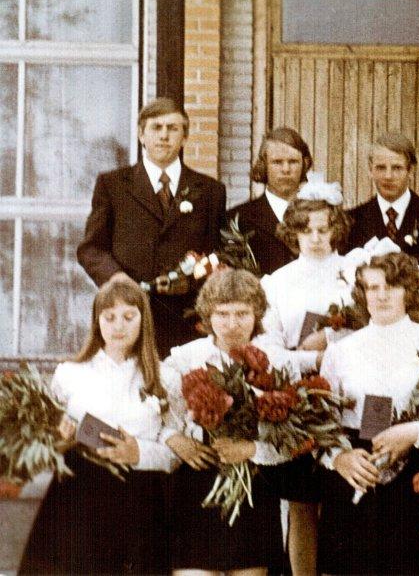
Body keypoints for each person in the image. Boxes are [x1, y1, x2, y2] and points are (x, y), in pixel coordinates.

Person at [19, 280, 177, 575]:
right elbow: (44, 445)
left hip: (140, 499)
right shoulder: (70, 374)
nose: (119, 326)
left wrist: (138, 453)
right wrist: (59, 437)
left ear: (144, 320)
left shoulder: (165, 377)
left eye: (129, 316)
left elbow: (175, 452)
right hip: (78, 497)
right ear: (97, 321)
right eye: (109, 317)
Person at [318, 251, 419, 574]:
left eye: (392, 286)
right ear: (362, 294)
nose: (382, 295)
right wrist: (339, 458)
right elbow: (321, 425)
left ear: (408, 291)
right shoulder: (340, 351)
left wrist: (414, 432)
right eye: (373, 287)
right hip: (357, 473)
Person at [77, 97, 226, 358]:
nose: (164, 136)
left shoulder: (210, 191)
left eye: (173, 128)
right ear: (141, 135)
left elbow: (217, 253)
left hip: (187, 321)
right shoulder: (113, 185)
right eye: (156, 128)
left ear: (185, 137)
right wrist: (116, 278)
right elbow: (91, 249)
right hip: (129, 316)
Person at [258, 175, 355, 575]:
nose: (316, 238)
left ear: (336, 230)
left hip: (350, 395)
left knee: (344, 498)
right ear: (294, 230)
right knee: (301, 502)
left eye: (324, 229)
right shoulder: (277, 282)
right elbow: (269, 351)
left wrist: (333, 340)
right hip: (300, 401)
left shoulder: (354, 272)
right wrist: (310, 358)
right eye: (307, 229)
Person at [160, 269, 286, 575]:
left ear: (257, 314)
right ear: (208, 314)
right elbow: (157, 417)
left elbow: (292, 440)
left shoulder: (277, 361)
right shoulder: (184, 358)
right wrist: (174, 439)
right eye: (222, 314)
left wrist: (251, 450)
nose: (232, 324)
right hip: (197, 481)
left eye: (242, 314)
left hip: (254, 488)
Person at [230, 127, 313, 275]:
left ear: (304, 164)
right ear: (264, 166)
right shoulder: (238, 218)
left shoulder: (319, 215)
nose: (286, 169)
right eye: (277, 162)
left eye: (293, 162)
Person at [344, 132, 419, 262]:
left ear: (411, 171)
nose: (388, 176)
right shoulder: (351, 221)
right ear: (370, 170)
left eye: (397, 168)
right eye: (381, 168)